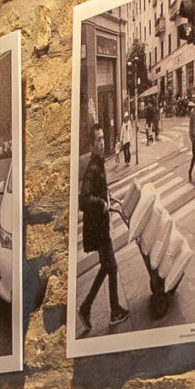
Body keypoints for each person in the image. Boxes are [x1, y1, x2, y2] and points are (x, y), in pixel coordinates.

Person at [75, 141, 128, 336]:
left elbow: (99, 189)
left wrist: (107, 195)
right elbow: (83, 200)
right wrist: (101, 203)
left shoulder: (99, 163)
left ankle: (86, 307)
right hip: (99, 228)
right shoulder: (92, 169)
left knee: (107, 267)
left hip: (101, 226)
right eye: (97, 140)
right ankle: (114, 311)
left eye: (102, 138)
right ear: (91, 146)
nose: (102, 143)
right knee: (111, 267)